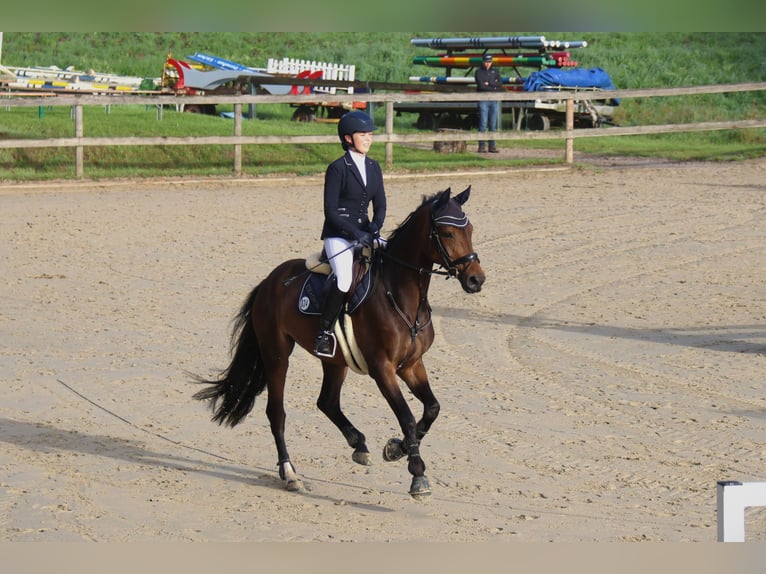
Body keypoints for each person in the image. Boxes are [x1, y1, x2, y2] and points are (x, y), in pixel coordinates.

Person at [314, 110, 387, 357]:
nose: (368, 139)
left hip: (366, 232)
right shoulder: (337, 168)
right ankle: (323, 333)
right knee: (344, 278)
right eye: (363, 135)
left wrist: (375, 227)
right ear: (348, 138)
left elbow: (381, 205)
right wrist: (355, 232)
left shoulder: (374, 167)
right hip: (338, 236)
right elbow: (330, 211)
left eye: (370, 135)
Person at [474, 53, 504, 153]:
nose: (488, 64)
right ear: (483, 62)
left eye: (489, 62)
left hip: (493, 99)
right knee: (483, 123)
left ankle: (492, 146)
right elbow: (481, 86)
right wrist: (493, 85)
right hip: (483, 99)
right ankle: (481, 146)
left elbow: (500, 83)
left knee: (492, 124)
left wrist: (490, 83)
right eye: (486, 62)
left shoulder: (495, 71)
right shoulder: (478, 72)